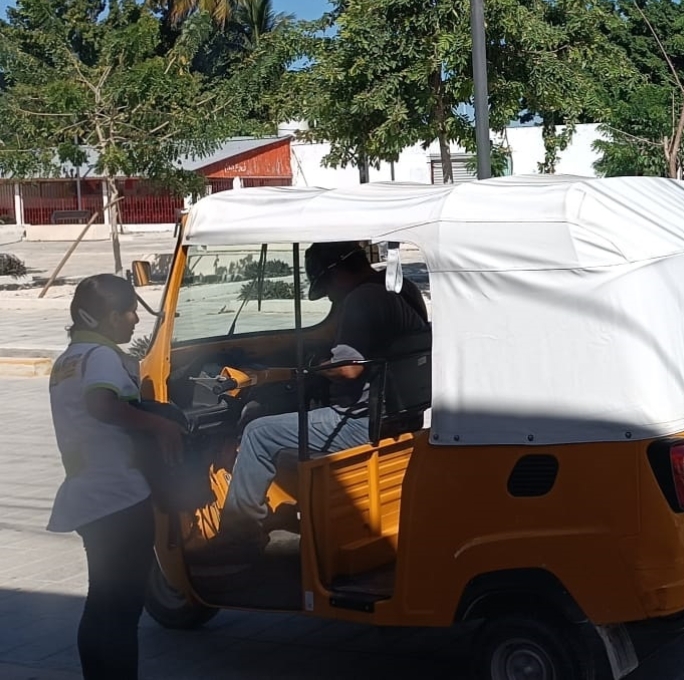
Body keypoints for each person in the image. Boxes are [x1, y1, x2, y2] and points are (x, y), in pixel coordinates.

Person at [204, 241, 429, 561]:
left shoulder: (362, 299)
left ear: (336, 274)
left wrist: (310, 368)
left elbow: (349, 369)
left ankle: (237, 539)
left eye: (328, 291)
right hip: (401, 415)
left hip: (358, 422)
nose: (332, 299)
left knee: (257, 433)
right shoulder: (401, 288)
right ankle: (296, 507)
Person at [47, 274, 184, 679]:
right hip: (119, 498)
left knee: (102, 602)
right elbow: (102, 405)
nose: (134, 321)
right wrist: (161, 426)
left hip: (88, 495)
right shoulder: (103, 359)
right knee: (123, 609)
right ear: (108, 317)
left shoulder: (70, 360)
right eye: (128, 312)